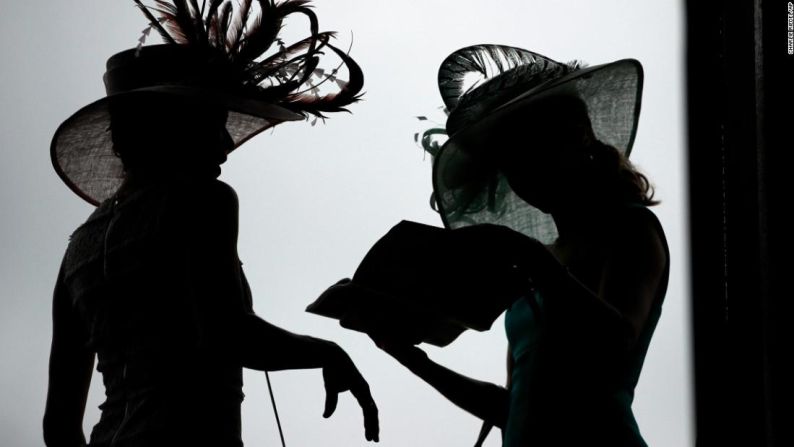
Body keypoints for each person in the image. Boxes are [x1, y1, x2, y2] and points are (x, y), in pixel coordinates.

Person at [43, 2, 378, 446]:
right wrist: (327, 350)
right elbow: (230, 334)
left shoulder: (77, 248)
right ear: (172, 129)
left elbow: (59, 425)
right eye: (212, 124)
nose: (224, 145)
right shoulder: (204, 200)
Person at [370, 45, 669, 446]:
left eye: (535, 153)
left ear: (578, 139)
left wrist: (526, 255)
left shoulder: (630, 228)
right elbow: (514, 407)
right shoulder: (543, 261)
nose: (523, 175)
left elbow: (614, 346)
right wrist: (409, 357)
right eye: (510, 164)